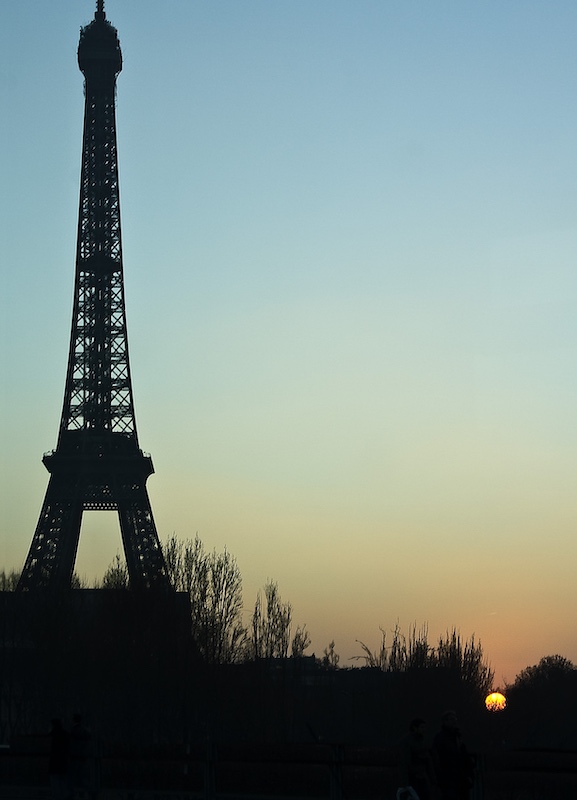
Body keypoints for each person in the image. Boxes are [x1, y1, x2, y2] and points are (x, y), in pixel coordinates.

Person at [432, 710, 474, 800]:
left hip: (460, 777)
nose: (454, 721)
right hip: (448, 777)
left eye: (455, 719)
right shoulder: (441, 738)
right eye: (451, 719)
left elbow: (464, 756)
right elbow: (437, 758)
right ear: (445, 722)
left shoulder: (457, 736)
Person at [397, 717, 435, 800]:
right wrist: (405, 783)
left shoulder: (421, 740)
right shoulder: (408, 742)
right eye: (422, 727)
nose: (424, 730)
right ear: (415, 728)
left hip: (420, 775)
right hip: (413, 776)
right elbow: (404, 762)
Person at [69, 713, 94, 799]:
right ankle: (88, 792)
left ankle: (77, 794)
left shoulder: (73, 730)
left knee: (74, 776)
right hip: (82, 756)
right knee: (82, 775)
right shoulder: (84, 730)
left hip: (75, 756)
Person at [48, 718, 69, 800]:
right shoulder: (66, 734)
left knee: (55, 784)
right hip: (63, 762)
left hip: (54, 763)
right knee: (63, 783)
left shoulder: (52, 735)